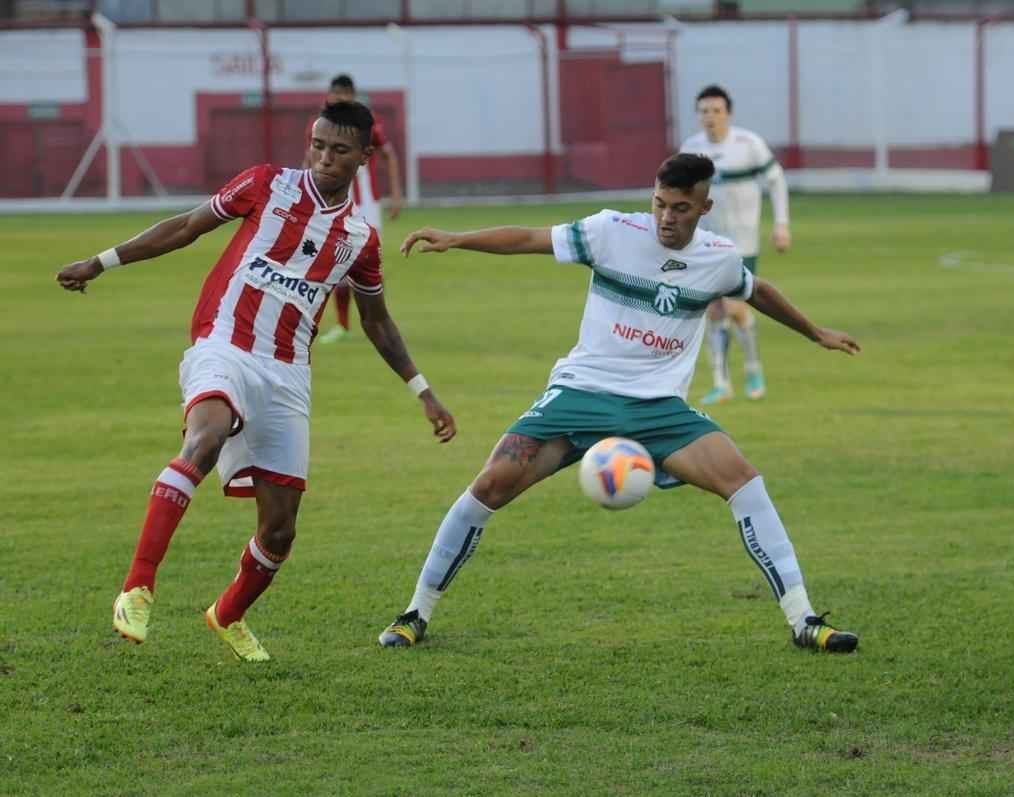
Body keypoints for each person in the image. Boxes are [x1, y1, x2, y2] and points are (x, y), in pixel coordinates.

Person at [377, 153, 861, 654]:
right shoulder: (611, 232)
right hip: (581, 393)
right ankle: (416, 612)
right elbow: (528, 239)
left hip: (659, 410)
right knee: (489, 486)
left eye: (679, 208)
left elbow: (757, 291)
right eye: (659, 204)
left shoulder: (717, 257)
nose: (666, 219)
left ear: (703, 207)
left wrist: (815, 332)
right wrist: (458, 239)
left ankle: (803, 619)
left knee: (744, 482)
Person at [55, 101, 456, 661]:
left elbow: (377, 321)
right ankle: (138, 586)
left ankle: (228, 615)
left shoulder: (360, 239)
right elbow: (188, 226)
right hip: (224, 343)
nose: (322, 159)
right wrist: (101, 261)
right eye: (317, 145)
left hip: (288, 373)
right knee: (205, 435)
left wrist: (424, 392)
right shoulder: (266, 185)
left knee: (279, 531)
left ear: (365, 157)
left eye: (338, 151)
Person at [680, 85, 790, 405]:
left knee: (734, 307)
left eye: (716, 110)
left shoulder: (748, 144)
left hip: (742, 242)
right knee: (713, 311)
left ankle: (753, 369)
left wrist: (781, 224)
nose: (710, 117)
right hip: (705, 242)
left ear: (728, 113)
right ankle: (721, 382)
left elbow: (776, 180)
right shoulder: (691, 148)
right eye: (704, 111)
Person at [308, 74, 405, 344]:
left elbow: (389, 155)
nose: (338, 99)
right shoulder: (321, 124)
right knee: (334, 261)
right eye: (334, 95)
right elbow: (309, 160)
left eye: (343, 95)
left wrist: (396, 195)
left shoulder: (368, 124)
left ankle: (378, 321)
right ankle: (342, 324)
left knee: (370, 263)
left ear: (352, 96)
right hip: (333, 204)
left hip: (367, 204)